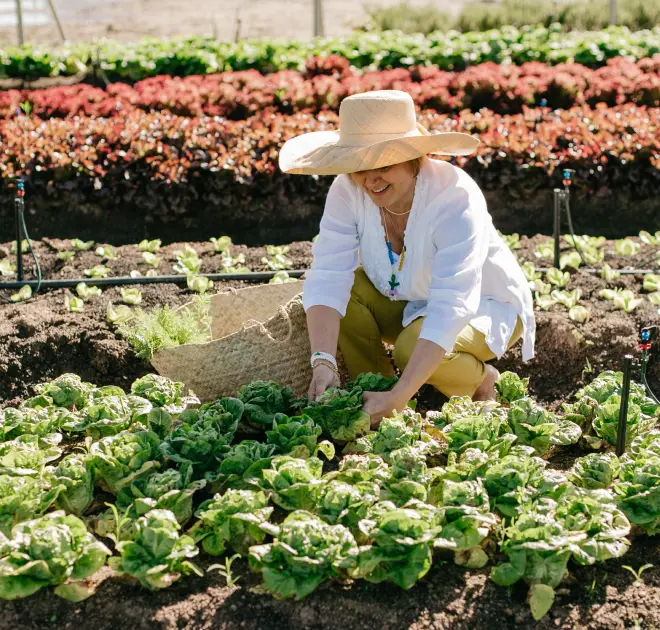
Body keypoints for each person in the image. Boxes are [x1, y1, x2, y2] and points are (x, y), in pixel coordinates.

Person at [279, 90, 535, 427]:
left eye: (383, 164)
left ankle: (481, 381)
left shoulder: (453, 197)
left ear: (414, 158)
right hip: (410, 297)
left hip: (484, 304)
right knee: (350, 292)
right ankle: (377, 393)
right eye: (359, 166)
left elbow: (452, 303)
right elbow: (328, 275)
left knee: (411, 346)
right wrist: (322, 361)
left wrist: (400, 397)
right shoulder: (347, 190)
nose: (370, 179)